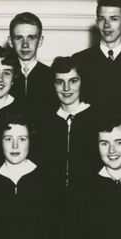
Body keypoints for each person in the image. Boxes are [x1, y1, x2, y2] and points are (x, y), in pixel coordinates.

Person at [33, 56, 101, 190]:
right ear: (53, 84)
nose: (66, 88)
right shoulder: (44, 121)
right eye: (59, 82)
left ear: (82, 82)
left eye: (73, 81)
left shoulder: (97, 119)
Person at [8, 12, 57, 121]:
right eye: (18, 38)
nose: (25, 44)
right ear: (10, 42)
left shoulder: (51, 76)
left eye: (31, 37)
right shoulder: (3, 77)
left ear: (40, 41)